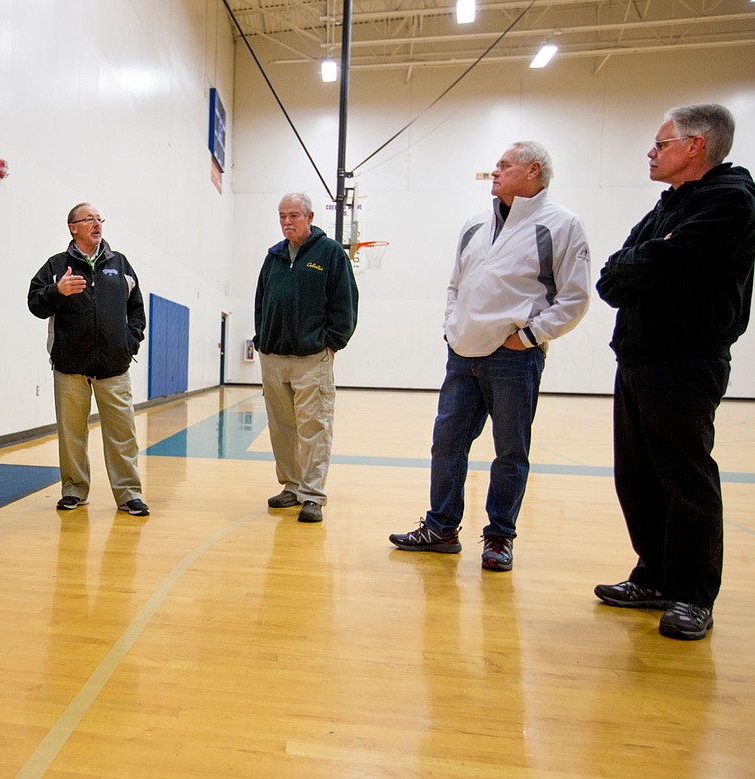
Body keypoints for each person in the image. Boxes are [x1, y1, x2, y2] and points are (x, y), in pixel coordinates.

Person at [389, 142, 591, 570]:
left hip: (514, 358)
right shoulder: (474, 224)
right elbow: (455, 285)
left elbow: (574, 298)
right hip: (462, 354)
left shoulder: (562, 225)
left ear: (533, 171)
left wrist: (530, 336)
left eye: (504, 165)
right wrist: (452, 324)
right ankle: (441, 527)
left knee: (510, 451)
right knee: (446, 443)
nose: (494, 172)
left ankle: (499, 537)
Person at [594, 104, 755, 640]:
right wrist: (640, 263)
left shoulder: (731, 201)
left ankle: (692, 594)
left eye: (661, 143)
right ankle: (655, 576)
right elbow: (613, 276)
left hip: (686, 360)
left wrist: (642, 263)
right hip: (638, 357)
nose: (651, 151)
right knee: (637, 477)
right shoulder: (670, 206)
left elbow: (665, 265)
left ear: (695, 147)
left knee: (685, 478)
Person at [27, 202, 150, 517]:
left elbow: (136, 308)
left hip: (114, 367)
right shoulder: (56, 265)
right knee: (72, 435)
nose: (97, 224)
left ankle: (129, 495)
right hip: (70, 368)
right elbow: (35, 304)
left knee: (122, 435)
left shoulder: (119, 263)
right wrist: (57, 291)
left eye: (99, 219)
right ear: (73, 227)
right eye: (89, 219)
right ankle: (74, 491)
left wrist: (129, 342)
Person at [254, 192, 358, 524]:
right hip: (273, 357)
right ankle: (292, 486)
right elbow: (261, 301)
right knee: (282, 428)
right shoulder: (273, 256)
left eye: (294, 215)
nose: (287, 221)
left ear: (310, 217)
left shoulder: (330, 254)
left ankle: (312, 495)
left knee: (314, 428)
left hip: (312, 358)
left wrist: (332, 343)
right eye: (282, 215)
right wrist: (262, 339)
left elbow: (346, 303)